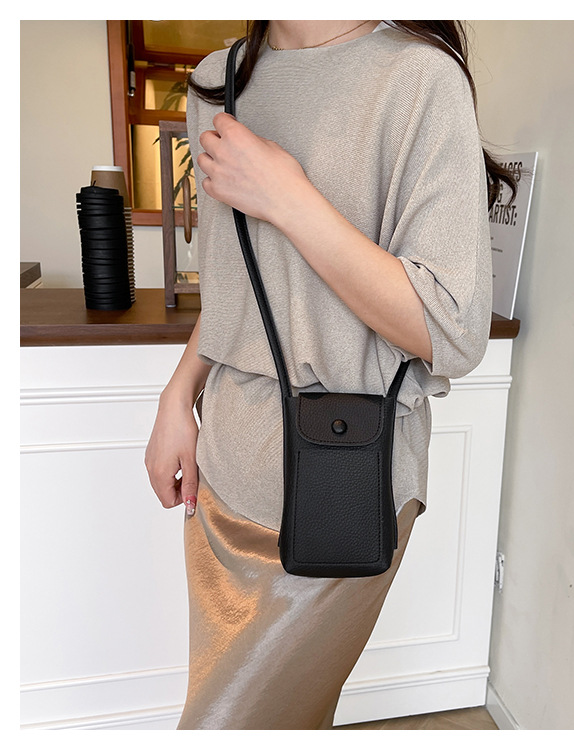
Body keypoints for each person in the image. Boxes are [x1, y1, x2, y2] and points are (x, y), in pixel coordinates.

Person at [145, 20, 515, 731]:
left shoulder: (418, 79)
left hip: (347, 475)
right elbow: (236, 287)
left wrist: (288, 198)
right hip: (226, 467)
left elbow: (451, 329)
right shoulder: (220, 81)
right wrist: (177, 393)